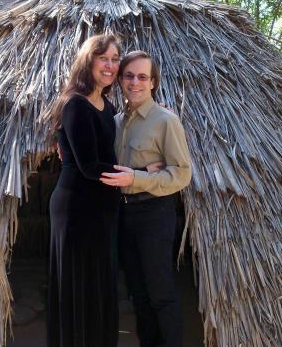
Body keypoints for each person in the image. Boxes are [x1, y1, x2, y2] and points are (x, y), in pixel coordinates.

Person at [100, 50, 192, 347]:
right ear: (120, 80)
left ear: (153, 82)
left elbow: (181, 174)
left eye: (142, 76)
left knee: (160, 292)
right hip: (122, 215)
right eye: (129, 76)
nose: (135, 82)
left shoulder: (166, 121)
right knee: (137, 292)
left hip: (154, 212)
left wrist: (137, 177)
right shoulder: (114, 122)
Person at [46, 34, 122, 347]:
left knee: (98, 284)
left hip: (101, 207)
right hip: (77, 207)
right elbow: (90, 166)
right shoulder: (75, 105)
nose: (110, 65)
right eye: (103, 58)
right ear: (87, 61)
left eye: (115, 59)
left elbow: (109, 155)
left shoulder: (107, 105)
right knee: (79, 285)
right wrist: (140, 176)